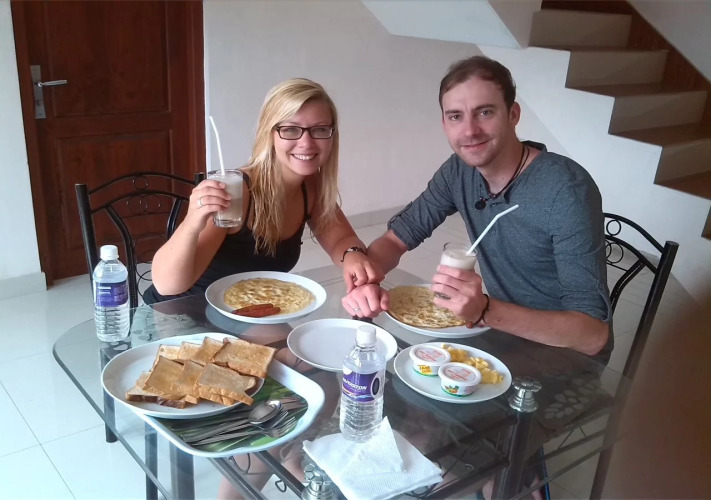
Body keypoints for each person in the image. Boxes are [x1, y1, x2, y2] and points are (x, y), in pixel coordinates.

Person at [342, 56, 612, 358]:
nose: (469, 131)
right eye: (456, 116)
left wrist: (484, 310)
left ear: (513, 114)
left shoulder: (566, 189)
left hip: (564, 357)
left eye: (485, 112)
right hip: (498, 335)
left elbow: (592, 336)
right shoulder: (459, 171)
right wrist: (368, 280)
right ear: (444, 124)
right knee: (378, 366)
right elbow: (396, 239)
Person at [146, 78, 382, 304]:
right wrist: (192, 223)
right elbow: (168, 286)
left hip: (246, 310)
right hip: (179, 312)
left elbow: (342, 239)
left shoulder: (311, 187)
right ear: (269, 134)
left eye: (319, 129)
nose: (306, 142)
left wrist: (353, 254)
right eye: (290, 129)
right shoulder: (237, 191)